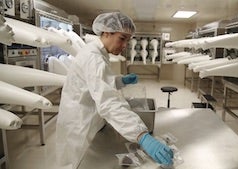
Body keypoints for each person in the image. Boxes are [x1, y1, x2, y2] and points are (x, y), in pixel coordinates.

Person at [56, 12, 173, 169]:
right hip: (79, 124)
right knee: (77, 164)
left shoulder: (98, 52)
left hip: (87, 116)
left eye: (128, 40)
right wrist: (141, 135)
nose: (125, 45)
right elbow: (108, 101)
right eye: (122, 38)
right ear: (106, 32)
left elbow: (97, 82)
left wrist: (119, 80)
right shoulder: (94, 58)